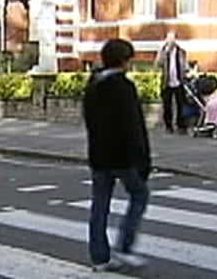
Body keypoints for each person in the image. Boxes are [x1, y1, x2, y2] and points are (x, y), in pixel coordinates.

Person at [83, 39, 151, 272]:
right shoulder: (124, 87)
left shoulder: (92, 85)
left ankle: (99, 257)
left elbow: (89, 121)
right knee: (140, 195)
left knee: (99, 206)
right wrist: (143, 160)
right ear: (124, 61)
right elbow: (134, 127)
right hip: (122, 157)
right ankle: (124, 245)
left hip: (98, 156)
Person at [154, 32, 188, 134]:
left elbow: (184, 65)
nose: (171, 42)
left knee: (181, 105)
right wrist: (163, 53)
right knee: (167, 105)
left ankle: (181, 126)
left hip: (178, 81)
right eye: (169, 39)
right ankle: (168, 126)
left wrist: (186, 73)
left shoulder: (180, 51)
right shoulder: (163, 50)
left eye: (172, 40)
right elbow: (158, 64)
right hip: (166, 82)